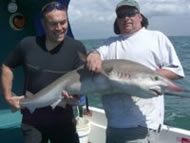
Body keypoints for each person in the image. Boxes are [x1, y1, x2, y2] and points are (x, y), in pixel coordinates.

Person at [86, 0, 184, 143]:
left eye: (131, 13)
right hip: (113, 123)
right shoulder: (110, 42)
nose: (126, 18)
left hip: (142, 125)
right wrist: (93, 54)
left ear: (140, 16)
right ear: (117, 20)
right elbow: (97, 56)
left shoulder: (156, 37)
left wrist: (140, 77)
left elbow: (177, 71)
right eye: (121, 15)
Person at [1, 1, 86, 143]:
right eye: (53, 24)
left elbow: (81, 80)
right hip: (33, 122)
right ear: (43, 23)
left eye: (63, 22)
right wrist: (8, 96)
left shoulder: (77, 48)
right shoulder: (27, 44)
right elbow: (6, 66)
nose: (59, 28)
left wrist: (75, 98)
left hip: (64, 121)